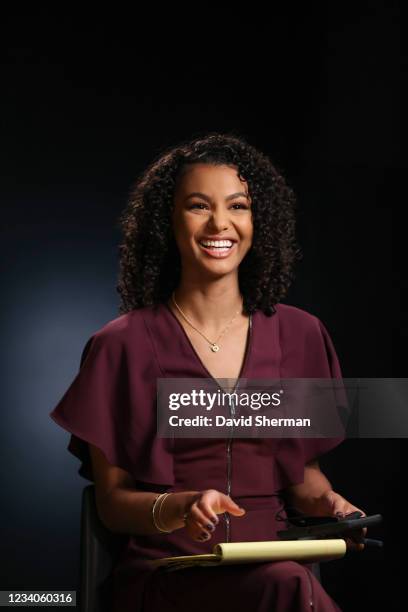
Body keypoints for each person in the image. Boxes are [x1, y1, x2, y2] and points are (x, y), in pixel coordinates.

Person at [50, 132, 367, 612]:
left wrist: (333, 507)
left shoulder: (303, 335)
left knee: (285, 582)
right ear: (169, 222)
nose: (221, 222)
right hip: (172, 572)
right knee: (289, 588)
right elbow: (112, 503)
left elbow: (304, 477)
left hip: (273, 561)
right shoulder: (120, 346)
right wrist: (180, 506)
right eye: (199, 205)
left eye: (237, 205)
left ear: (257, 219)